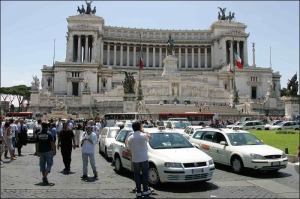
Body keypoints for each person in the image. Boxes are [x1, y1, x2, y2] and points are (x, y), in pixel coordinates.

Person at [127, 121, 152, 197]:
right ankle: (145, 190)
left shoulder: (130, 138)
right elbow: (150, 138)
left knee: (137, 175)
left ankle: (138, 191)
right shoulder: (143, 135)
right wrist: (143, 131)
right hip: (143, 158)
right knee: (145, 174)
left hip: (135, 158)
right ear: (139, 127)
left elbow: (128, 148)